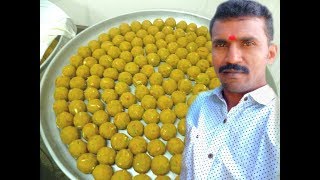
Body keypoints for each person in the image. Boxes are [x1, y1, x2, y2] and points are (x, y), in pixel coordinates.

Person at [180, 0, 280, 179]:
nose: (232, 58)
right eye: (221, 44)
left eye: (248, 44)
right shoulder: (201, 104)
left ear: (270, 54)